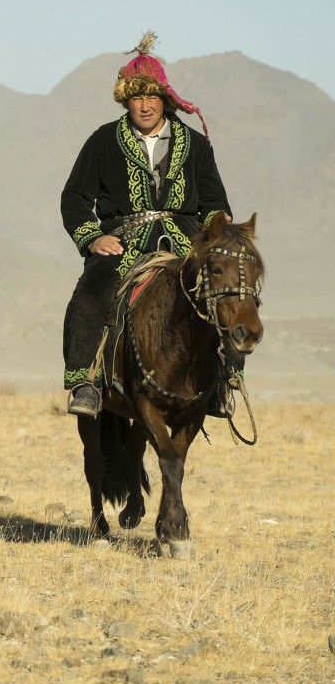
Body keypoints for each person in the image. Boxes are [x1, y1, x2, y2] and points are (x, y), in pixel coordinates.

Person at [61, 31, 232, 417]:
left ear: (165, 99)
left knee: (226, 291)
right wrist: (92, 237)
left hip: (184, 242)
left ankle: (222, 381)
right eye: (137, 97)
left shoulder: (197, 145)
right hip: (124, 242)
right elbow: (74, 197)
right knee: (91, 290)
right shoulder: (103, 141)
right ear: (127, 100)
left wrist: (219, 226)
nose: (145, 105)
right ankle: (84, 382)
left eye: (152, 96)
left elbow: (213, 200)